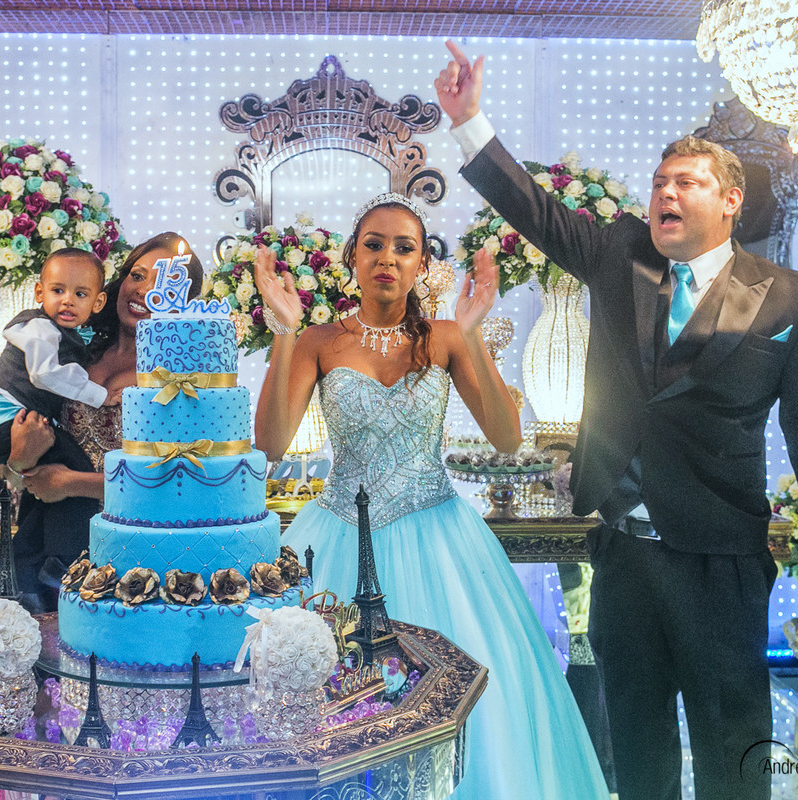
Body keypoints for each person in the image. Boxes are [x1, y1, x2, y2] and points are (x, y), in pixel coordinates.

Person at [435, 41, 798, 800]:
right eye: (661, 181)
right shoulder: (621, 254)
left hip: (721, 559)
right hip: (624, 554)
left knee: (732, 744)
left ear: (730, 200)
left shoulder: (790, 296)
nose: (666, 192)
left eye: (686, 182)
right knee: (634, 743)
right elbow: (537, 213)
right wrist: (469, 122)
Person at [255, 193, 610, 799]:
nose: (387, 258)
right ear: (352, 257)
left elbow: (506, 437)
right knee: (331, 698)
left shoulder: (445, 337)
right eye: (374, 245)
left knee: (466, 696)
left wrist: (471, 335)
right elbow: (270, 444)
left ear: (422, 264)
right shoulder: (319, 340)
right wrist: (285, 331)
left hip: (440, 533)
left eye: (404, 248)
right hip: (340, 530)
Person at [5, 233, 205, 612]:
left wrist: (69, 483)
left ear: (182, 299)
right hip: (52, 540)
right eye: (138, 275)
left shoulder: (180, 377)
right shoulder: (72, 352)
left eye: (163, 283)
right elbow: (17, 465)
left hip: (135, 551)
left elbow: (178, 481)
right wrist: (19, 459)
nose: (144, 290)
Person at [0, 248, 115, 477]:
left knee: (59, 470)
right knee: (76, 466)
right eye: (58, 290)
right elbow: (44, 374)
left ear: (97, 302)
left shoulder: (65, 332)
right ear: (40, 292)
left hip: (10, 421)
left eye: (80, 294)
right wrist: (100, 395)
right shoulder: (39, 327)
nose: (68, 300)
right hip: (8, 423)